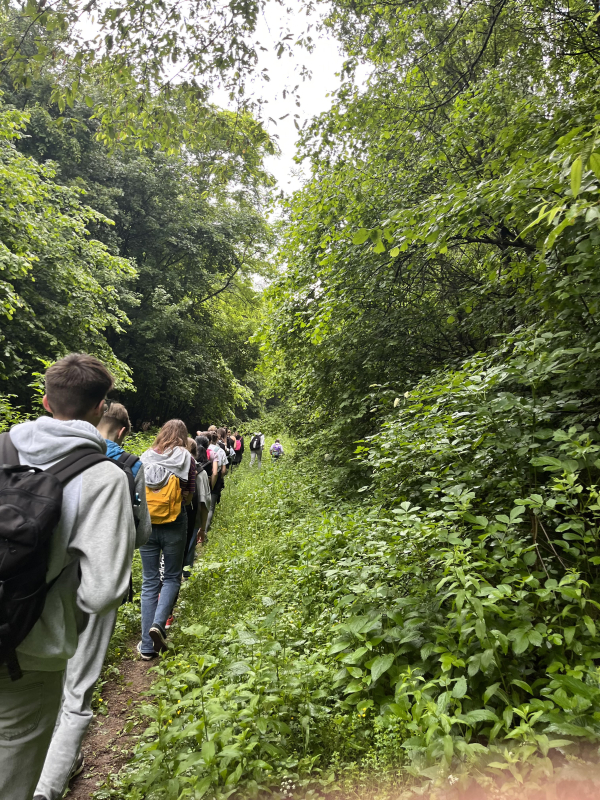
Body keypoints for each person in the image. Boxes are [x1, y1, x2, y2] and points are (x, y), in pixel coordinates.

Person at [0, 353, 136, 800]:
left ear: (44, 401)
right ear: (101, 408)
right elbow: (103, 593)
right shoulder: (103, 477)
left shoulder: (2, 448)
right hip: (31, 656)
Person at [34, 402, 152, 800]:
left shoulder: (30, 448)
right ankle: (49, 785)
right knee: (76, 691)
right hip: (90, 589)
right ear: (121, 429)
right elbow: (141, 536)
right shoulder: (126, 466)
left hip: (34, 585)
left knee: (38, 681)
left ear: (48, 403)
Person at [138, 420, 195, 659]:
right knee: (172, 577)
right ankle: (159, 625)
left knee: (150, 581)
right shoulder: (185, 458)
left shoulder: (145, 456)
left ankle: (146, 647)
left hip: (147, 524)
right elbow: (189, 496)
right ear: (182, 436)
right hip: (174, 522)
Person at [206, 430, 228, 530]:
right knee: (211, 507)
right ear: (216, 439)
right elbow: (223, 470)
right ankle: (205, 530)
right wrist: (220, 478)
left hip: (202, 477)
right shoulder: (220, 451)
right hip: (216, 477)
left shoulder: (202, 448)